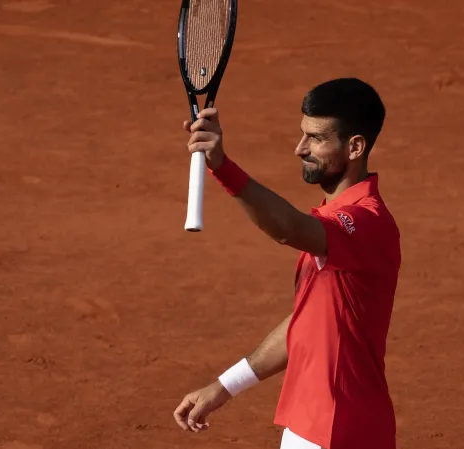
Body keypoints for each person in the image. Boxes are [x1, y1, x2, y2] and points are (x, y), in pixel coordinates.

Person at [172, 78, 402, 449]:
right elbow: (305, 322)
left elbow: (287, 228)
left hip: (339, 428)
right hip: (312, 424)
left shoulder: (365, 222)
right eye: (302, 134)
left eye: (316, 138)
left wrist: (221, 166)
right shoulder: (338, 214)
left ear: (355, 146)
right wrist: (224, 386)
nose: (300, 148)